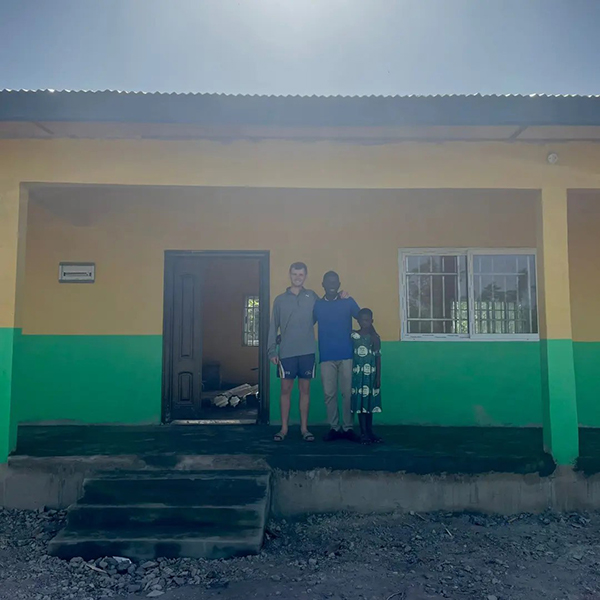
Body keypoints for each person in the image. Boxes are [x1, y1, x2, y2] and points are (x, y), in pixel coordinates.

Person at [268, 262, 319, 442]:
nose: (298, 277)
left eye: (301, 275)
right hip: (287, 352)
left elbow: (325, 312)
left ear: (305, 276)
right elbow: (273, 326)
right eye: (295, 274)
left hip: (307, 351)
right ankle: (283, 429)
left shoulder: (312, 296)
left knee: (305, 390)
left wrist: (343, 297)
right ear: (289, 275)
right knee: (285, 390)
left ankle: (305, 429)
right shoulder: (280, 300)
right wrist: (272, 350)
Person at [313, 271, 361, 442]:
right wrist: (285, 335)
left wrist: (370, 335)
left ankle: (348, 428)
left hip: (347, 354)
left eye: (335, 282)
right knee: (329, 394)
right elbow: (304, 324)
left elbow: (363, 318)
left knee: (347, 393)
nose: (332, 284)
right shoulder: (317, 305)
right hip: (326, 356)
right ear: (323, 284)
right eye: (328, 282)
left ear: (339, 284)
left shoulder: (348, 302)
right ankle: (334, 427)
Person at [351, 308, 382, 445]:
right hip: (358, 376)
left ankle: (370, 432)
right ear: (357, 321)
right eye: (362, 320)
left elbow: (378, 358)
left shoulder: (375, 338)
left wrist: (378, 377)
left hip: (371, 376)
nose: (365, 323)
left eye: (368, 320)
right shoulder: (353, 336)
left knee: (369, 405)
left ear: (372, 321)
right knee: (360, 405)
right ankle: (363, 433)